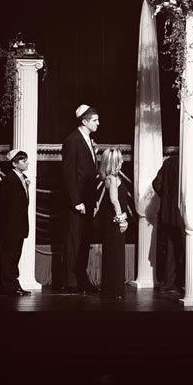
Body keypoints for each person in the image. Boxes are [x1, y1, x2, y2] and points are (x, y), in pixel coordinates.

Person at [61, 104, 100, 294]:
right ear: (84, 121)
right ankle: (70, 282)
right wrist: (76, 201)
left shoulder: (87, 140)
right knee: (74, 241)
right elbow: (69, 173)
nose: (98, 124)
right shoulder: (72, 141)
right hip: (78, 203)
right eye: (95, 120)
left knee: (84, 241)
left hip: (88, 201)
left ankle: (81, 278)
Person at [0, 149, 32, 296]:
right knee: (9, 256)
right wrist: (4, 227)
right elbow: (1, 204)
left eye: (26, 160)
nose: (27, 163)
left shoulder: (22, 177)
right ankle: (8, 286)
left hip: (19, 226)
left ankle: (13, 284)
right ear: (14, 163)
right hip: (10, 227)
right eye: (23, 161)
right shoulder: (9, 179)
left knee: (15, 256)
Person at [96, 148, 129, 299]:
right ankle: (113, 290)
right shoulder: (111, 178)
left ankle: (114, 290)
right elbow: (114, 200)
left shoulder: (113, 177)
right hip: (114, 222)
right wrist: (121, 220)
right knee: (114, 255)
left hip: (116, 220)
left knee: (116, 254)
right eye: (119, 159)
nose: (122, 161)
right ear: (113, 162)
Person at [152, 154, 184, 295]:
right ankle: (182, 283)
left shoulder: (169, 162)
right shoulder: (191, 160)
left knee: (171, 250)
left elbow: (156, 183)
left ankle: (168, 283)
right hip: (184, 214)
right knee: (185, 250)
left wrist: (166, 199)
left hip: (169, 214)